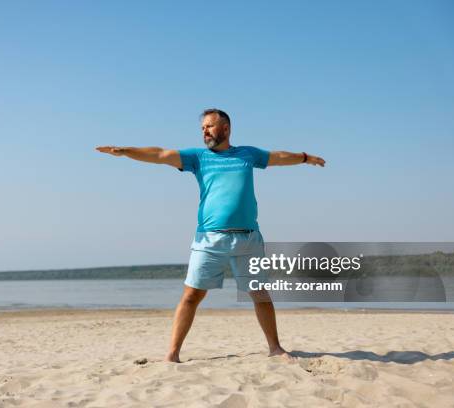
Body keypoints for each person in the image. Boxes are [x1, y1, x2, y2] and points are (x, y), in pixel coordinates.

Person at [96, 108, 325, 363]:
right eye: (202, 127)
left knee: (260, 294)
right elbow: (160, 154)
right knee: (192, 295)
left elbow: (279, 157)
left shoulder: (247, 154)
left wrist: (305, 157)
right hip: (209, 239)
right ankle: (172, 354)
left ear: (225, 129)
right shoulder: (197, 157)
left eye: (209, 126)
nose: (204, 131)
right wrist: (126, 151)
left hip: (248, 239)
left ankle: (275, 348)